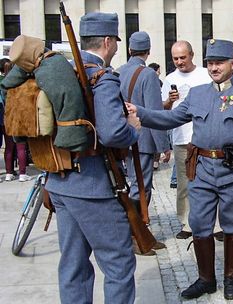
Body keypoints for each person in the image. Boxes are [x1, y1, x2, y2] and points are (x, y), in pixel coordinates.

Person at [127, 38, 233, 300]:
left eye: (219, 62)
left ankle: (230, 278)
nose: (214, 67)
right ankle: (206, 278)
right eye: (210, 63)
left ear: (232, 63)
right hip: (202, 170)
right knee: (200, 224)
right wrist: (142, 112)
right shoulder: (198, 94)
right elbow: (171, 118)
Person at [44, 12, 141, 303]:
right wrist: (132, 129)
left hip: (59, 182)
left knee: (73, 265)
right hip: (93, 187)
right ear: (109, 42)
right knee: (119, 263)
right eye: (115, 44)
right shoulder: (102, 76)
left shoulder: (62, 73)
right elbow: (113, 134)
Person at [117, 31, 170, 254]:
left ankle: (134, 232)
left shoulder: (117, 72)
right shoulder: (148, 75)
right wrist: (164, 145)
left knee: (129, 185)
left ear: (129, 50)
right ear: (148, 51)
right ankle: (138, 235)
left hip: (121, 139)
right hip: (143, 140)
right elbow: (155, 114)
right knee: (141, 187)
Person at [161, 40, 212, 239]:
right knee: (184, 183)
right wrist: (169, 101)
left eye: (183, 57)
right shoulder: (169, 79)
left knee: (210, 181)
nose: (180, 62)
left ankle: (214, 224)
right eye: (175, 58)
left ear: (192, 54)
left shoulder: (204, 75)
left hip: (205, 137)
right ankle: (186, 223)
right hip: (181, 138)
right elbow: (163, 110)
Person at [1, 58, 32, 182]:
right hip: (20, 117)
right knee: (21, 147)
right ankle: (22, 173)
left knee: (9, 147)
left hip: (7, 117)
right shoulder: (22, 83)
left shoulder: (4, 85)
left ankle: (8, 173)